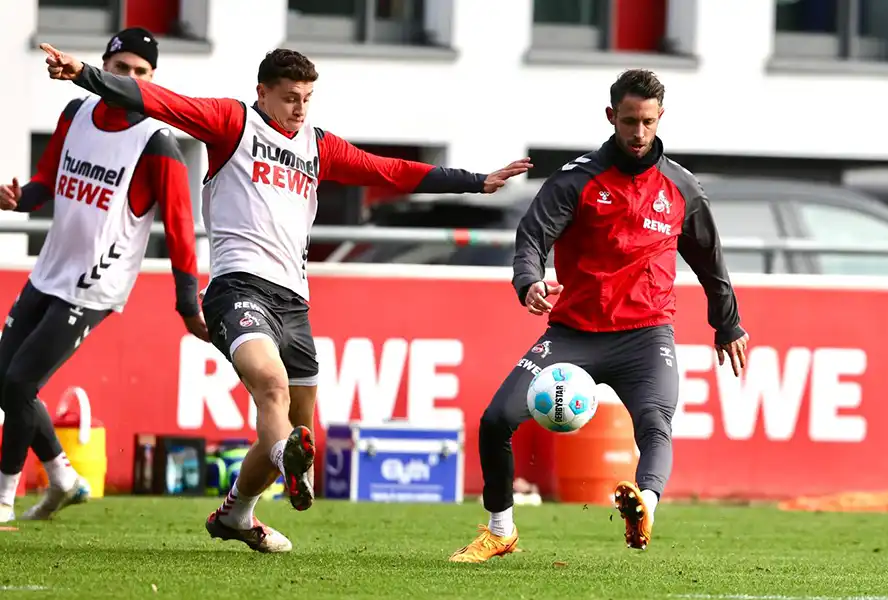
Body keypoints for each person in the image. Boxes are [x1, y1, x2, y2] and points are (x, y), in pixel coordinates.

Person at [39, 42, 532, 553]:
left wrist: (475, 181)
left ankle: (237, 513)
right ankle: (285, 467)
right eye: (290, 97)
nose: (299, 107)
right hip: (236, 287)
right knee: (270, 388)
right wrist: (86, 75)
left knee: (298, 433)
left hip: (294, 302)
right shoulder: (232, 123)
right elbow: (162, 100)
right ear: (262, 93)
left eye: (307, 98)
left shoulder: (318, 145)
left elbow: (388, 170)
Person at [449, 69, 749, 563]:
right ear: (611, 117)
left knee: (656, 424)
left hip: (646, 335)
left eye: (648, 122)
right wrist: (529, 283)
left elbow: (710, 260)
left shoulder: (680, 187)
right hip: (574, 334)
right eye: (629, 121)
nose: (638, 133)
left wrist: (728, 323)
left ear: (661, 118)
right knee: (495, 420)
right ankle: (500, 530)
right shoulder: (577, 179)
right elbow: (531, 239)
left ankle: (644, 507)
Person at [0, 28, 208, 523]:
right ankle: (66, 478)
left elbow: (181, 229)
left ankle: (4, 498)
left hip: (95, 287)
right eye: (122, 68)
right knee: (5, 381)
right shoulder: (75, 114)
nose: (130, 78)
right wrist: (18, 199)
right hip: (49, 270)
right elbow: (47, 181)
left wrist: (187, 302)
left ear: (153, 80)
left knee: (19, 381)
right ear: (104, 67)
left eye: (142, 72)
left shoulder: (157, 143)